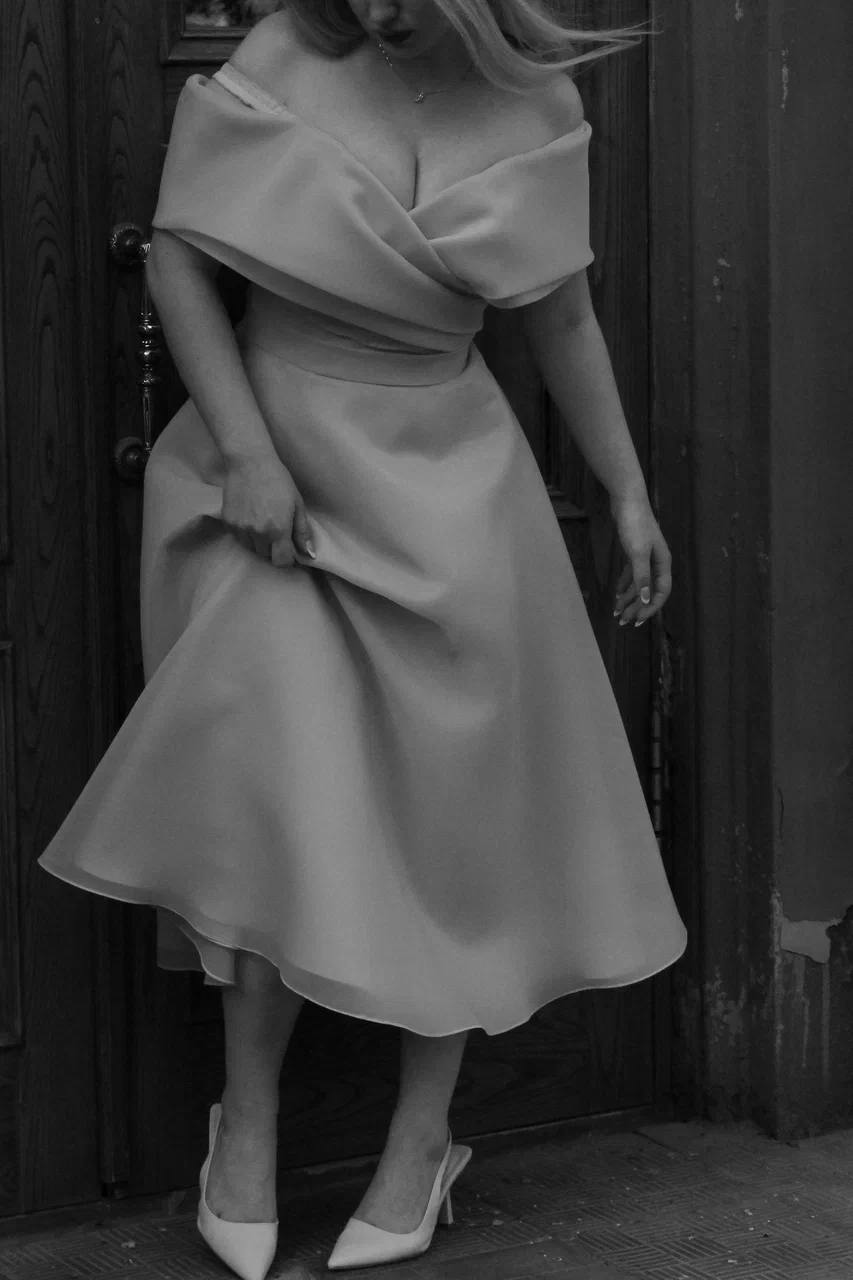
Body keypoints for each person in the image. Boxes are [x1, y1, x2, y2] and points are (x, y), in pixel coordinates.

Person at [38, 1, 688, 1275]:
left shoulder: (539, 105)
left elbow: (560, 319)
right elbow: (179, 259)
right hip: (272, 485)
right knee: (276, 803)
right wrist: (245, 453)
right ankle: (246, 1125)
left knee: (455, 823)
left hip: (453, 496)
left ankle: (421, 1141)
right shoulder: (284, 53)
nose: (378, 9)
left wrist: (625, 492)